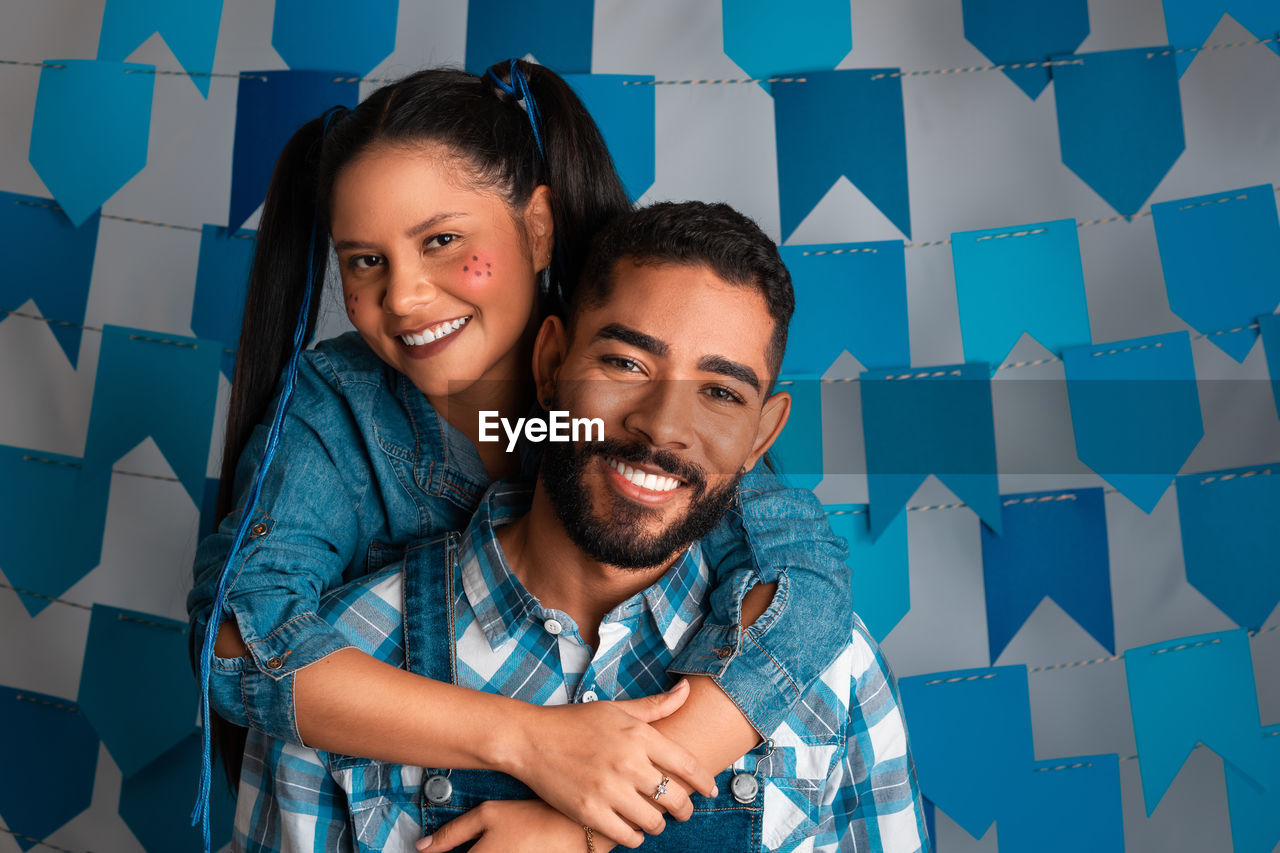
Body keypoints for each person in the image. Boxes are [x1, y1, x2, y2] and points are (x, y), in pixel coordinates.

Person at [188, 62, 852, 848]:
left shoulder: (644, 375)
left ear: (537, 229)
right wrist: (531, 741)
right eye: (366, 261)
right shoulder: (340, 411)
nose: (403, 296)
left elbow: (805, 578)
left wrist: (588, 826)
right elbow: (238, 640)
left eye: (442, 241)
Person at [233, 201, 927, 852]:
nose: (661, 425)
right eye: (626, 363)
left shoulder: (831, 671)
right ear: (550, 365)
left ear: (760, 436)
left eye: (720, 393)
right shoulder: (344, 668)